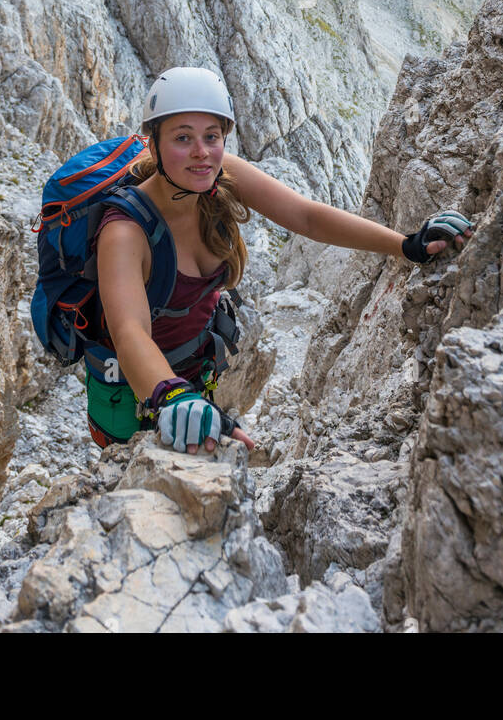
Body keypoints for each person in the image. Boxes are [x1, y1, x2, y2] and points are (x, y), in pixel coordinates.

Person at [86, 66, 474, 456]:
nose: (202, 152)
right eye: (182, 138)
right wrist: (171, 396)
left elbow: (306, 217)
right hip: (136, 396)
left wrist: (406, 245)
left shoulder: (217, 176)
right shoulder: (125, 230)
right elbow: (130, 332)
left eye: (212, 136)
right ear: (153, 145)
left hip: (191, 383)